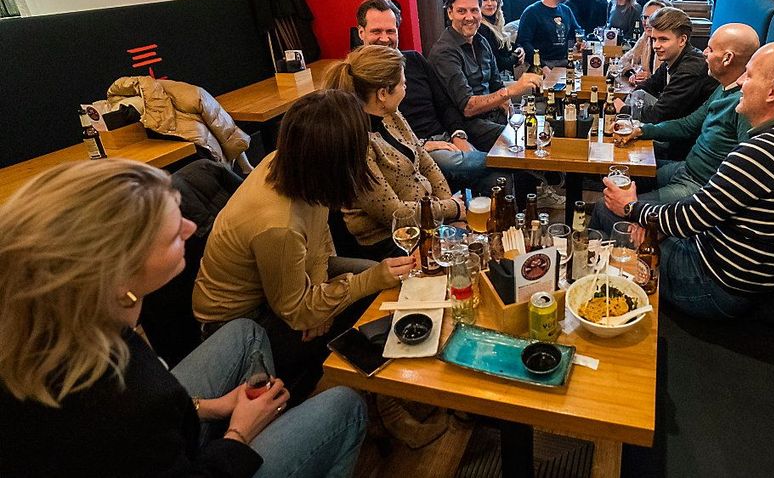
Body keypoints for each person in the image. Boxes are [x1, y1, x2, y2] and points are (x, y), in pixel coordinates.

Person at [0, 159, 367, 477]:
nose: (192, 230)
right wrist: (239, 432)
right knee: (345, 406)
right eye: (175, 233)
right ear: (120, 271)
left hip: (150, 436)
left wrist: (209, 407)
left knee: (245, 333)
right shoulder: (125, 402)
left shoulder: (59, 322)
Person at [194, 91, 415, 399]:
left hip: (283, 292)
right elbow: (295, 311)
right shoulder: (277, 223)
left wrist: (320, 295)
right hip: (241, 325)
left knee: (384, 285)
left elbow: (319, 235)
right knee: (374, 290)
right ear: (335, 159)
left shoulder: (295, 167)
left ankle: (382, 394)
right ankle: (374, 399)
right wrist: (315, 307)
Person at [603, 43, 774, 319]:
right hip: (733, 270)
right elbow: (703, 214)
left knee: (611, 218)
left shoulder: (760, 153)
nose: (741, 82)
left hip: (713, 284)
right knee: (640, 227)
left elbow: (690, 218)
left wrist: (632, 209)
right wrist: (657, 224)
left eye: (750, 75)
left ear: (773, 92)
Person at [591, 23, 760, 232]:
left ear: (728, 58)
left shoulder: (744, 106)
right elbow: (688, 124)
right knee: (615, 174)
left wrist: (638, 210)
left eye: (711, 49)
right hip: (685, 168)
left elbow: (738, 181)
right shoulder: (723, 89)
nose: (704, 53)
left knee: (603, 207)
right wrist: (641, 130)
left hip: (697, 186)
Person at [324, 46, 465, 248]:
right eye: (403, 84)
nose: (406, 88)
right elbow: (394, 213)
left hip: (426, 221)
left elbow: (425, 160)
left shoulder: (390, 114)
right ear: (382, 94)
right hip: (390, 241)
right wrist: (451, 209)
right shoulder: (357, 145)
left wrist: (450, 211)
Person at [355, 0, 498, 194]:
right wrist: (423, 145)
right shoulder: (356, 76)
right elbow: (375, 135)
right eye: (376, 31)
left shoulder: (414, 59)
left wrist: (458, 135)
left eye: (390, 31)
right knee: (494, 162)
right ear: (361, 32)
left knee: (498, 179)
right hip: (415, 150)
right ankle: (514, 161)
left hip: (445, 138)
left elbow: (445, 104)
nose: (385, 38)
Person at [430, 0, 542, 151]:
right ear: (450, 12)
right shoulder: (444, 52)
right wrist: (510, 91)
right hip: (469, 126)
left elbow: (496, 84)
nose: (470, 17)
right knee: (528, 139)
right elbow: (468, 107)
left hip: (494, 117)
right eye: (462, 11)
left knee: (542, 129)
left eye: (474, 10)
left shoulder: (481, 41)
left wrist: (511, 113)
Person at [617, 6, 716, 124]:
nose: (656, 46)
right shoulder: (672, 59)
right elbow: (649, 86)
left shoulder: (690, 68)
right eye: (654, 39)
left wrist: (624, 110)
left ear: (682, 40)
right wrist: (631, 100)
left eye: (663, 39)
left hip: (687, 136)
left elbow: (660, 115)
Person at [515, 0, 582, 67]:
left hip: (566, 61)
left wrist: (581, 42)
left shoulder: (566, 10)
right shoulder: (532, 12)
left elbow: (578, 31)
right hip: (542, 64)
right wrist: (542, 66)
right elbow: (524, 43)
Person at [618, 0, 670, 84]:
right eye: (645, 17)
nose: (647, 22)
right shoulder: (646, 37)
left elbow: (669, 79)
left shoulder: (671, 42)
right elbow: (623, 60)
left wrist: (650, 77)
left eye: (652, 18)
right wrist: (633, 74)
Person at [478, 0, 521, 77]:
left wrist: (519, 48)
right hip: (496, 78)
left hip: (505, 75)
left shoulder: (496, 24)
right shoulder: (481, 28)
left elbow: (505, 47)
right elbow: (498, 62)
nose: (489, 3)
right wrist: (517, 57)